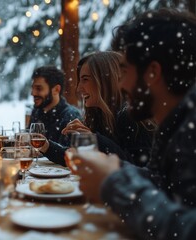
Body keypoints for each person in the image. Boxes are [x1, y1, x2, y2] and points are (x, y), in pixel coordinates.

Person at [73, 8, 196, 240]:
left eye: (125, 71)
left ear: (152, 73)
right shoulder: (175, 126)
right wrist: (112, 170)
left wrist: (114, 183)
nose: (121, 85)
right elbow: (162, 184)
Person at [40, 51, 155, 167]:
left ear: (106, 80)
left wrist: (95, 139)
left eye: (85, 79)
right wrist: (46, 146)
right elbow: (78, 158)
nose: (79, 88)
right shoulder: (99, 115)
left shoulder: (132, 116)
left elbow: (138, 169)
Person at [28, 65, 81, 144]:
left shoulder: (70, 116)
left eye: (39, 88)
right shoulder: (36, 112)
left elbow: (68, 153)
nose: (33, 93)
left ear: (56, 90)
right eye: (32, 88)